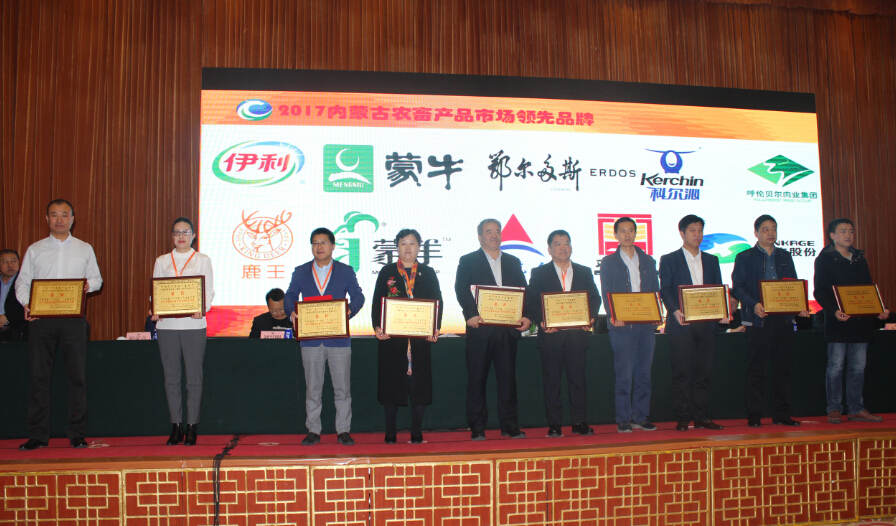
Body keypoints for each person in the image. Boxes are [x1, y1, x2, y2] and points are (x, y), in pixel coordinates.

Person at [16, 199, 103, 450]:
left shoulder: (84, 248)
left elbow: (97, 279)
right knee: (39, 378)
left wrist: (87, 286)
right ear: (47, 219)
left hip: (73, 321)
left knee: (77, 378)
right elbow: (22, 283)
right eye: (54, 215)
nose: (59, 220)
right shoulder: (35, 249)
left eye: (64, 215)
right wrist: (27, 304)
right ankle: (38, 435)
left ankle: (76, 434)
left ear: (72, 219)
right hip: (41, 321)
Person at [286, 227, 364, 446]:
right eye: (315, 243)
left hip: (338, 339)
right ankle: (313, 430)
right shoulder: (301, 271)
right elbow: (290, 295)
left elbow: (358, 296)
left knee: (342, 388)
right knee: (313, 389)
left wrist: (350, 310)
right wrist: (291, 311)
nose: (319, 247)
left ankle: (343, 430)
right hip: (311, 339)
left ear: (333, 246)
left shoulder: (345, 271)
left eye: (323, 242)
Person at [455, 218, 532, 440]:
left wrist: (526, 315)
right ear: (480, 236)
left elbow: (523, 290)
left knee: (508, 380)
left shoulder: (513, 261)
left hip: (507, 330)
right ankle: (477, 426)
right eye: (489, 231)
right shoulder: (468, 260)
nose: (494, 235)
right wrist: (470, 314)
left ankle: (509, 425)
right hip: (480, 328)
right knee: (477, 379)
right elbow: (461, 288)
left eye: (497, 231)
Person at [731, 215, 809, 428]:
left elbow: (793, 284)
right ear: (756, 233)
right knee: (757, 370)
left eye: (773, 228)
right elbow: (738, 287)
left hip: (784, 320)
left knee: (783, 370)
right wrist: (754, 304)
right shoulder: (745, 257)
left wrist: (800, 305)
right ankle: (754, 415)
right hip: (759, 320)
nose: (770, 233)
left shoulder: (785, 256)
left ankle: (781, 414)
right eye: (765, 229)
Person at [371, 229, 443, 444]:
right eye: (403, 243)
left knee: (419, 386)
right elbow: (377, 301)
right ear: (397, 247)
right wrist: (377, 326)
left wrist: (434, 328)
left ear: (419, 247)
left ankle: (417, 433)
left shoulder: (428, 272)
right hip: (393, 339)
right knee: (391, 385)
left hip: (420, 339)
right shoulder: (387, 271)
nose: (408, 247)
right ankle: (390, 433)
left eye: (412, 243)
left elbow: (437, 301)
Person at [525, 230, 600, 437]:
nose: (563, 247)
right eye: (558, 244)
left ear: (571, 247)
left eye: (567, 243)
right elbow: (531, 302)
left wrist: (590, 318)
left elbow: (595, 299)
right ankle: (554, 424)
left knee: (578, 382)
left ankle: (579, 422)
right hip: (551, 336)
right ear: (549, 249)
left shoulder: (584, 271)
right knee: (552, 382)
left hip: (577, 336)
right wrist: (542, 321)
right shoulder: (539, 273)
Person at [814, 218, 889, 423]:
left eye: (851, 231)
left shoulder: (859, 259)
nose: (848, 235)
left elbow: (868, 290)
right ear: (832, 235)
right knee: (835, 368)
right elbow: (820, 292)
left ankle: (856, 408)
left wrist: (878, 309)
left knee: (858, 368)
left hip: (861, 323)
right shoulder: (824, 259)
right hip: (838, 322)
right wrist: (834, 311)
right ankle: (834, 409)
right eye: (843, 231)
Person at [659, 214, 728, 432]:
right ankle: (682, 418)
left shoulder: (712, 260)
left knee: (703, 373)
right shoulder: (669, 259)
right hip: (682, 324)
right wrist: (675, 311)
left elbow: (717, 289)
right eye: (692, 230)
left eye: (700, 230)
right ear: (682, 233)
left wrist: (723, 311)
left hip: (707, 324)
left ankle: (701, 417)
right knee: (682, 373)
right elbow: (665, 290)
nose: (697, 234)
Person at [150, 218, 215, 446]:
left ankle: (192, 425)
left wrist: (202, 307)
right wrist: (155, 308)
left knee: (194, 379)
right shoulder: (162, 261)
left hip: (194, 325)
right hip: (166, 326)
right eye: (176, 232)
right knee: (171, 379)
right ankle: (176, 425)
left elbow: (208, 291)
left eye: (185, 232)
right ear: (171, 235)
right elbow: (156, 290)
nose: (181, 236)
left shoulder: (202, 260)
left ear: (193, 235)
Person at [599, 217, 660, 433]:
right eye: (623, 231)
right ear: (615, 235)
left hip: (645, 326)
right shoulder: (608, 262)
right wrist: (613, 314)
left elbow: (655, 290)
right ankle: (623, 418)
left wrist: (656, 313)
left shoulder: (648, 260)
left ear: (636, 233)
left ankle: (640, 417)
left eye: (631, 230)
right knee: (624, 376)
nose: (627, 234)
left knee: (644, 374)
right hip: (621, 325)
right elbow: (606, 291)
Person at [1, 250, 27, 342]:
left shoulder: (26, 284)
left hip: (16, 333)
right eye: (5, 262)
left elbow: (29, 308)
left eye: (13, 261)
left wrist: (8, 318)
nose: (10, 265)